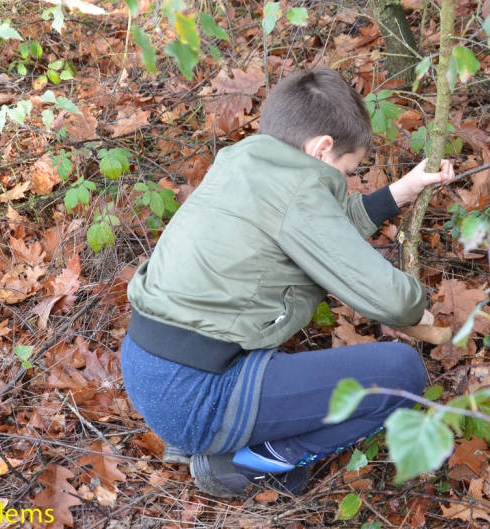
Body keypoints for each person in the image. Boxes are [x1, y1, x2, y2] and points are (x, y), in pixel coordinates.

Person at [121, 66, 455, 498]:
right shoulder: (296, 193)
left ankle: (205, 435)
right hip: (196, 394)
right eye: (346, 171)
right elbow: (391, 300)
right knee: (402, 373)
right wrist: (420, 312)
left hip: (149, 369)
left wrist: (400, 192)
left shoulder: (243, 163)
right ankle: (242, 464)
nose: (344, 182)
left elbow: (322, 229)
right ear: (322, 148)